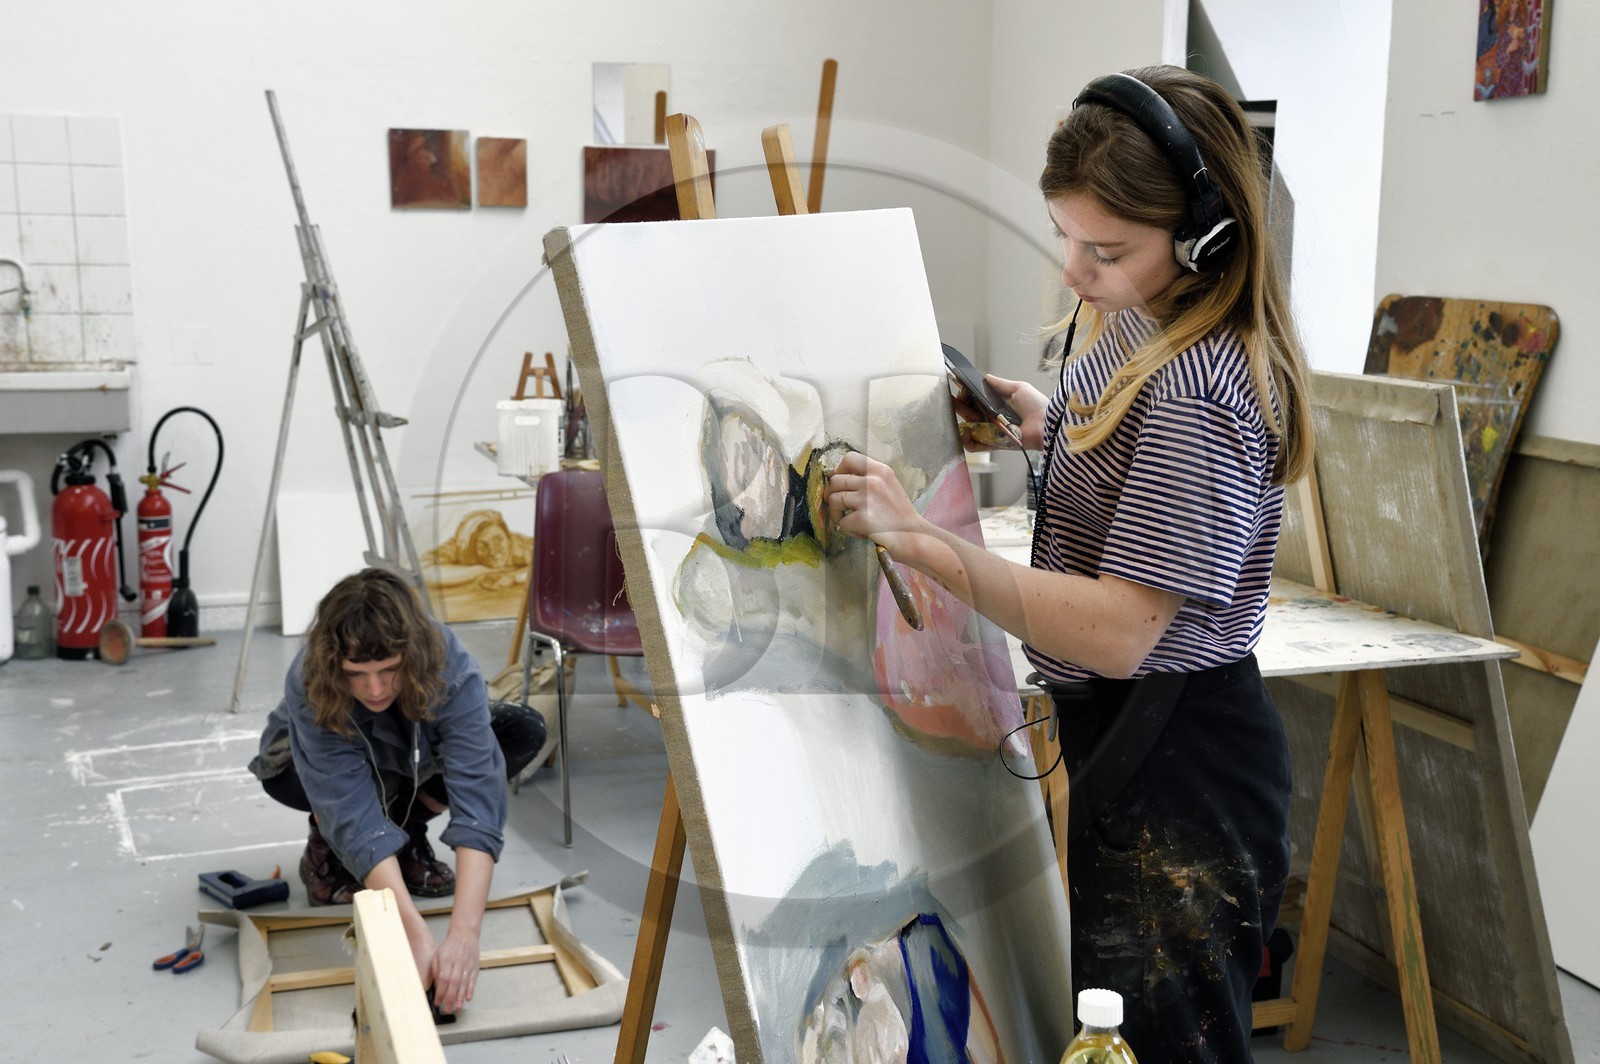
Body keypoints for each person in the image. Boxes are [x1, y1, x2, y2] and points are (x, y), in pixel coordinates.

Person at [823, 65, 1313, 1062]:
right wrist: (1050, 425)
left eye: (1105, 249)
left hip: (1183, 768)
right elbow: (1129, 443)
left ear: (1205, 233)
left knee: (1161, 1047)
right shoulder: (1144, 316)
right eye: (1064, 236)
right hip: (1134, 743)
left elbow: (1116, 628)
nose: (1072, 270)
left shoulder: (1199, 385)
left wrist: (930, 543)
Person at [249, 567, 547, 1014]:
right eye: (357, 673)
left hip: (410, 757)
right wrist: (414, 934)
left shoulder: (447, 660)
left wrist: (464, 936)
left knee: (517, 733)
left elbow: (477, 797)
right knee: (339, 799)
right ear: (335, 664)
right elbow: (348, 806)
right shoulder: (311, 677)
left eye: (389, 670)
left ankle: (404, 832)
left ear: (413, 654)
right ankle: (330, 847)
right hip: (300, 767)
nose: (374, 688)